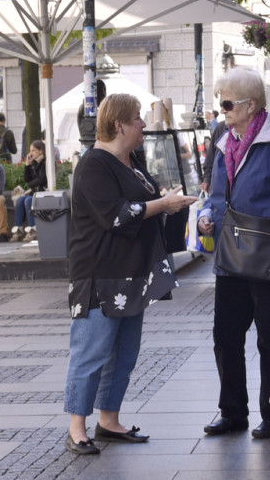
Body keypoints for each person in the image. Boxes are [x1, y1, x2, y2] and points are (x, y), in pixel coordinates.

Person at [63, 94, 196, 454]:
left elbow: (143, 202)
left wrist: (166, 202)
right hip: (99, 275)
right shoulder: (93, 164)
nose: (143, 124)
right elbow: (117, 216)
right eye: (137, 118)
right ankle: (77, 427)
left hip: (132, 274)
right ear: (119, 125)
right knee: (91, 352)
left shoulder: (132, 160)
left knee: (124, 353)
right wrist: (162, 204)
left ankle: (109, 420)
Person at [197, 67, 270, 440]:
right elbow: (218, 194)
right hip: (231, 254)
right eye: (222, 102)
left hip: (269, 256)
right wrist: (206, 216)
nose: (223, 108)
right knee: (225, 336)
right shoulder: (224, 138)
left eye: (228, 103)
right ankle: (232, 411)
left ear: (251, 105)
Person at [12, 140, 47, 241]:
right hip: (34, 192)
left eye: (33, 151)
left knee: (28, 201)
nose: (31, 153)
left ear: (41, 151)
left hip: (43, 192)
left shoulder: (46, 162)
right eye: (30, 151)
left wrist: (30, 184)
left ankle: (33, 230)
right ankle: (19, 229)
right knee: (20, 200)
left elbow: (42, 178)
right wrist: (27, 165)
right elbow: (27, 179)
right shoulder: (34, 163)